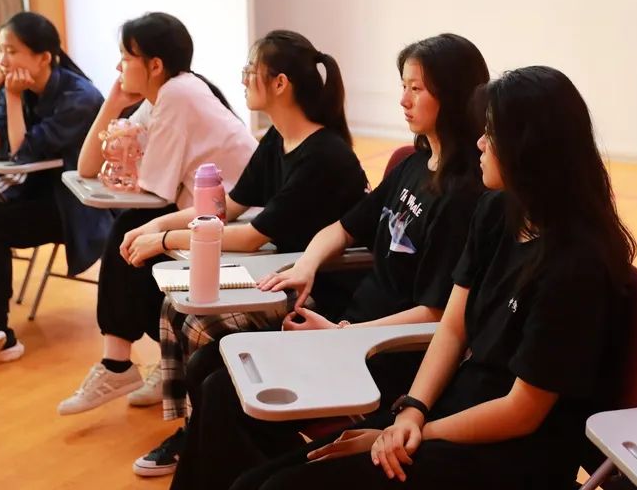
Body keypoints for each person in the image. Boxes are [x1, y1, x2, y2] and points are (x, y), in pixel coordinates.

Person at [170, 33, 491, 490]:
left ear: (453, 94)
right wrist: (307, 265)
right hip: (348, 332)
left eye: (416, 89)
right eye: (403, 86)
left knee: (221, 389)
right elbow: (342, 228)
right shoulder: (413, 165)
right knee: (208, 363)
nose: (403, 100)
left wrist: (344, 336)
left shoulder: (465, 197)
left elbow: (437, 313)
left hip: (386, 354)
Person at [130, 30, 369, 477]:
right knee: (173, 307)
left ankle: (213, 433)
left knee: (200, 324)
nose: (242, 80)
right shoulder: (278, 140)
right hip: (279, 274)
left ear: (280, 83)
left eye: (250, 71)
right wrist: (156, 224)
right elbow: (227, 209)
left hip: (319, 293)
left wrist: (165, 241)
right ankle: (195, 432)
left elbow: (251, 236)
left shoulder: (324, 156)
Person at [58, 12, 257, 415]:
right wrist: (114, 103)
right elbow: (87, 167)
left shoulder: (179, 94)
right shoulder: (164, 96)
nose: (118, 68)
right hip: (208, 213)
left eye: (125, 57)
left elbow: (154, 190)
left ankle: (117, 364)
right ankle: (141, 364)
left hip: (240, 218)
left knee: (130, 232)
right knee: (132, 235)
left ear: (154, 65)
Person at [0, 13, 111, 367]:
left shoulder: (79, 97)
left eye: (12, 51)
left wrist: (11, 97)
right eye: (0, 50)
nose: (2, 60)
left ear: (44, 57)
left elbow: (21, 153)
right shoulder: (12, 87)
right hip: (33, 194)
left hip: (74, 206)